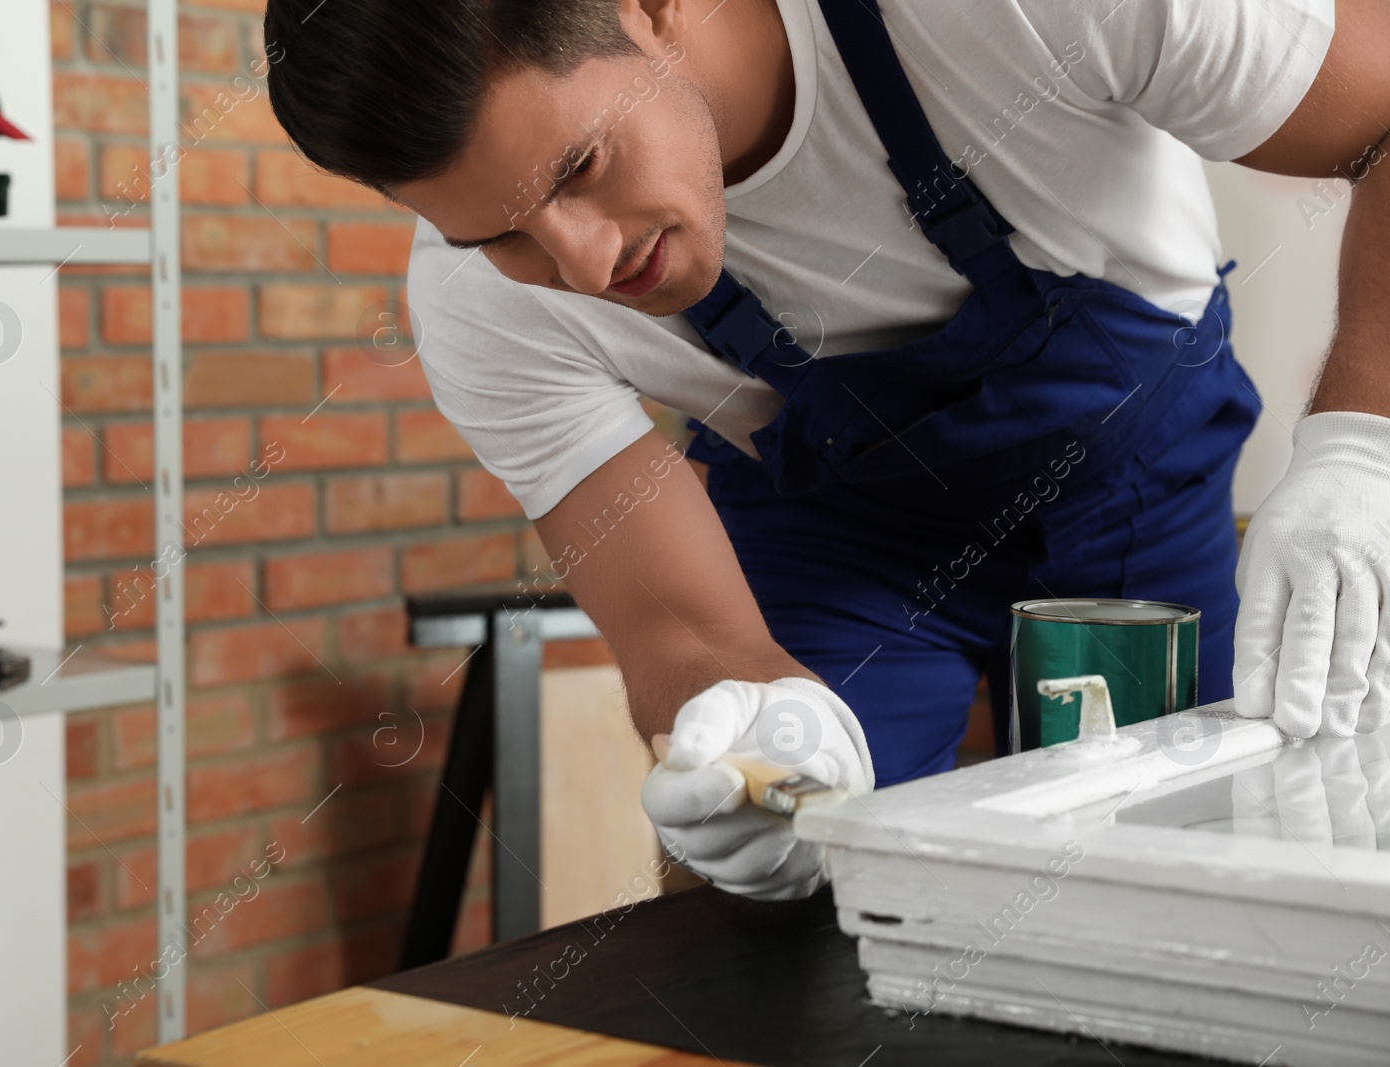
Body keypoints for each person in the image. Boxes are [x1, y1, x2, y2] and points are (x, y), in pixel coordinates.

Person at [264, 0, 1390, 898]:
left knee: (1212, 888)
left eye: (578, 169)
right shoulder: (476, 305)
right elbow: (685, 636)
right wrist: (740, 730)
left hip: (1141, 470)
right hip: (849, 537)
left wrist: (1359, 443)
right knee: (806, 914)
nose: (584, 262)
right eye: (499, 234)